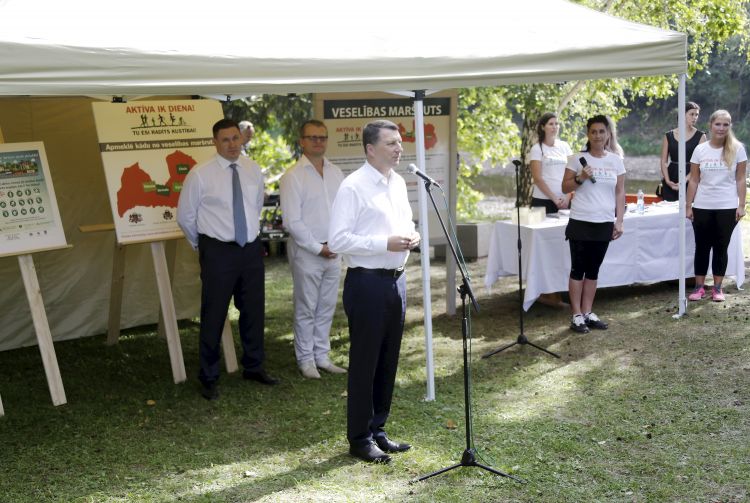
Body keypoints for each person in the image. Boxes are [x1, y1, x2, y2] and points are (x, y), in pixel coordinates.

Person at [328, 119, 420, 464]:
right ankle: (359, 438)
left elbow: (404, 223)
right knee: (365, 361)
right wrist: (384, 243)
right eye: (391, 143)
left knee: (387, 359)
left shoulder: (398, 182)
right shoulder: (353, 186)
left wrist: (412, 235)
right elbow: (338, 240)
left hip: (396, 280)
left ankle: (378, 429)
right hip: (366, 282)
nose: (399, 148)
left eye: (400, 142)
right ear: (370, 149)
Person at [177, 118, 278, 401]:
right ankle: (209, 376)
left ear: (241, 138)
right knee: (214, 313)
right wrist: (203, 246)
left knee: (253, 309)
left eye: (236, 138)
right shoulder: (200, 174)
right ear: (215, 142)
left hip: (249, 248)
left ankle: (254, 366)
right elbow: (185, 216)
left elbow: (254, 206)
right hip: (218, 251)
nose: (232, 144)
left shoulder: (252, 168)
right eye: (225, 140)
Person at [279, 120, 346, 379]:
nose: (318, 141)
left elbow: (343, 212)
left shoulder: (336, 172)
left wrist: (337, 243)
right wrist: (319, 248)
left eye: (322, 137)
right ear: (302, 141)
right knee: (306, 306)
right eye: (312, 137)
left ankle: (322, 356)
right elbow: (291, 221)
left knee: (326, 305)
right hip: (308, 251)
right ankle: (305, 359)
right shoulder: (293, 176)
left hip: (334, 249)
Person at [561, 115, 626, 334]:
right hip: (581, 221)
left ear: (608, 134)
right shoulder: (576, 159)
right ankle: (576, 315)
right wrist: (580, 178)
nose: (598, 136)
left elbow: (620, 192)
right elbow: (564, 187)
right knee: (578, 269)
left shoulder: (615, 160)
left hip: (604, 222)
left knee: (593, 270)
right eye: (593, 132)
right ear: (588, 134)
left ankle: (588, 312)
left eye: (601, 132)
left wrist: (619, 220)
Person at [686, 109, 747, 302]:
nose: (721, 128)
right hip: (702, 205)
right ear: (711, 125)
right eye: (718, 124)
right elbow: (694, 180)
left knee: (721, 247)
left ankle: (718, 289)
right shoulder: (700, 150)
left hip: (727, 207)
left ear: (730, 126)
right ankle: (699, 288)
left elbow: (740, 179)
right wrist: (689, 205)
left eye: (725, 124)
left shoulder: (738, 149)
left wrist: (741, 205)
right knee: (702, 247)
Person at [659, 102, 707, 202]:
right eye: (692, 114)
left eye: (696, 115)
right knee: (668, 208)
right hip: (671, 177)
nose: (695, 117)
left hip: (692, 177)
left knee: (689, 208)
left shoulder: (701, 136)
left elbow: (701, 162)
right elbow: (664, 161)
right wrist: (667, 180)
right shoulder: (669, 135)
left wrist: (685, 179)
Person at [529, 112, 573, 214]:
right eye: (551, 124)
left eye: (556, 124)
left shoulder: (565, 146)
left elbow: (573, 173)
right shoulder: (537, 149)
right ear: (543, 127)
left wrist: (567, 198)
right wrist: (555, 199)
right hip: (543, 201)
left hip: (564, 201)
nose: (554, 127)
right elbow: (537, 179)